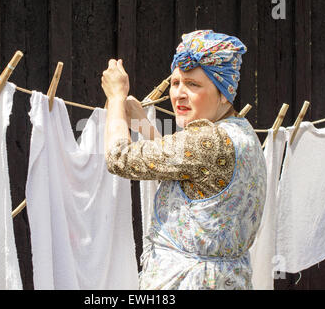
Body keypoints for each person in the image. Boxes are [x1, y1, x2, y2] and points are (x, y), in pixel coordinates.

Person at [101, 30, 267, 290]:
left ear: (224, 93)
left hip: (189, 282)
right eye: (176, 82)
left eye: (193, 84)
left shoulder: (208, 141)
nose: (179, 93)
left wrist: (115, 98)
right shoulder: (241, 131)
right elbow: (183, 171)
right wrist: (143, 124)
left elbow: (119, 158)